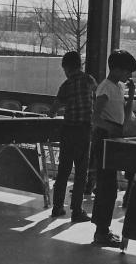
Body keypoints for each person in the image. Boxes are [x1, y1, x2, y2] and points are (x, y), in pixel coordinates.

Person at [91, 49, 136, 248]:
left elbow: (125, 118)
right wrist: (112, 129)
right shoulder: (105, 88)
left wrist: (132, 94)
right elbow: (95, 118)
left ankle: (103, 229)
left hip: (114, 137)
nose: (129, 76)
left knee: (110, 186)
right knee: (107, 187)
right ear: (117, 69)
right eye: (127, 71)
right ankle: (101, 231)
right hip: (105, 139)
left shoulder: (118, 87)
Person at [48, 51, 97, 222]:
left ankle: (57, 207)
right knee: (81, 172)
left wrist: (58, 110)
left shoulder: (66, 85)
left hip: (68, 131)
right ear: (80, 65)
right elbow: (93, 101)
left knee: (63, 171)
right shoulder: (90, 81)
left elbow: (53, 111)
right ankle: (77, 210)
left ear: (67, 68)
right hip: (84, 131)